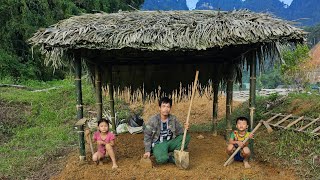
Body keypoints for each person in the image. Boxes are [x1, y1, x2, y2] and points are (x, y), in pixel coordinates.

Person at [143, 97, 190, 164]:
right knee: (162, 160)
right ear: (159, 108)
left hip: (170, 142)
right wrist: (147, 151)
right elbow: (147, 136)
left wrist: (186, 129)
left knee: (186, 137)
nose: (166, 109)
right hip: (159, 144)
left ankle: (174, 154)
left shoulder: (173, 119)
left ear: (170, 108)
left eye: (168, 106)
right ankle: (169, 157)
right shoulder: (153, 120)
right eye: (163, 106)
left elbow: (181, 133)